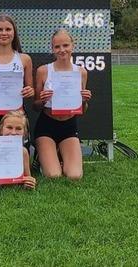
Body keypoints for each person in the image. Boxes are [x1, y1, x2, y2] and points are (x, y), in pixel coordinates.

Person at [33, 29, 92, 180]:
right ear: (52, 48)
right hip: (47, 125)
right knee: (53, 175)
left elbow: (82, 110)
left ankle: (60, 156)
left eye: (65, 45)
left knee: (74, 175)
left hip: (69, 126)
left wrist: (84, 100)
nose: (62, 50)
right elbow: (35, 106)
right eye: (57, 47)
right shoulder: (43, 71)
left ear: (73, 46)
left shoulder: (81, 72)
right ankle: (44, 159)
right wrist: (43, 100)